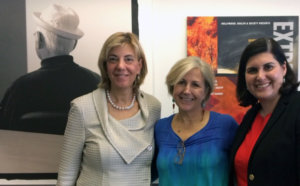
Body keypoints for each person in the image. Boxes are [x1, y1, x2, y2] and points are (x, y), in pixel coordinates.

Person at [56, 32, 161, 186]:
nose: (120, 66)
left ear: (139, 66)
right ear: (105, 66)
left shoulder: (153, 107)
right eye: (113, 59)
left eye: (128, 59)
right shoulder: (82, 107)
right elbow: (66, 175)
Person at [0, 4, 100, 134]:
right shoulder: (97, 85)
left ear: (39, 40)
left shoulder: (19, 89)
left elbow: (4, 136)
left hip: (30, 154)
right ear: (74, 44)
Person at [154, 56, 238, 186]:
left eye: (195, 84)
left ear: (206, 91)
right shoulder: (160, 128)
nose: (187, 90)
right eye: (181, 82)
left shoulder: (226, 126)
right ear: (172, 87)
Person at [229, 38, 300, 186]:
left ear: (284, 68)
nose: (260, 76)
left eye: (268, 67)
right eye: (252, 70)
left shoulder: (296, 108)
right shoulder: (250, 116)